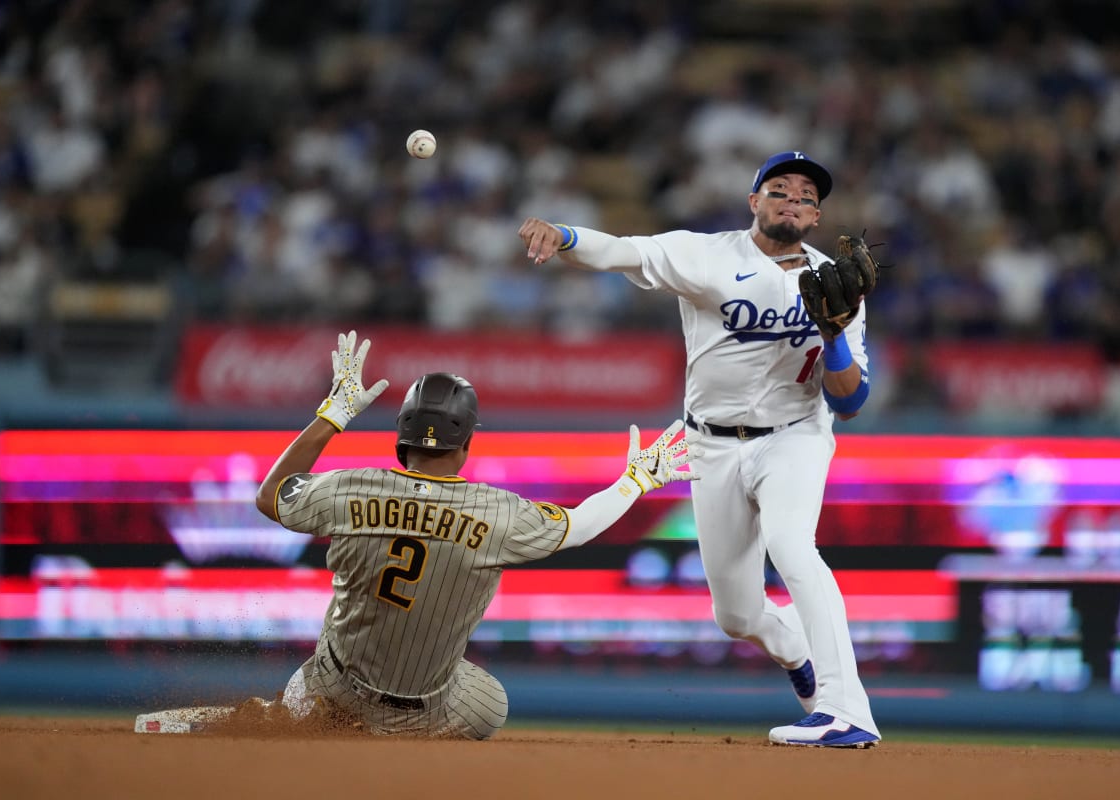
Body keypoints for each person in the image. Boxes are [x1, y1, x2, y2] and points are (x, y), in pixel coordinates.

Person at [518, 150, 881, 748]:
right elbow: (621, 250)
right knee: (736, 617)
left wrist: (835, 334)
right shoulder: (707, 255)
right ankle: (794, 649)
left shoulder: (837, 284)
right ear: (754, 202)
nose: (794, 199)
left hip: (795, 436)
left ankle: (848, 709)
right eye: (780, 188)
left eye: (807, 196)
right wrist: (563, 235)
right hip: (709, 444)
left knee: (793, 545)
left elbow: (850, 401)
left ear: (817, 217)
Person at [251, 329, 697, 739]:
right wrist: (635, 482)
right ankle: (404, 752)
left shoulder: (348, 487)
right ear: (465, 444)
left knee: (320, 676)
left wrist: (334, 414)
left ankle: (301, 715)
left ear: (402, 434)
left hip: (334, 689)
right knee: (491, 703)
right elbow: (581, 526)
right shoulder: (498, 512)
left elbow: (270, 495)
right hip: (422, 711)